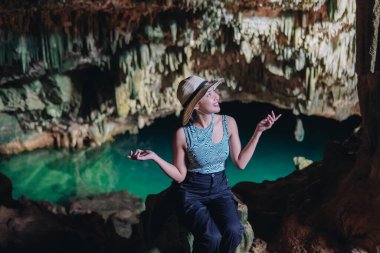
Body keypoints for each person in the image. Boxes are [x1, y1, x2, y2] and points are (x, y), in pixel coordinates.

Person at [128, 75, 281, 253]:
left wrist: (258, 132)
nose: (217, 96)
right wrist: (155, 157)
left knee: (233, 231)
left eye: (214, 91)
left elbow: (240, 162)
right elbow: (180, 175)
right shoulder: (183, 135)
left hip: (220, 189)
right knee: (211, 237)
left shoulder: (228, 123)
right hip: (192, 192)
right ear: (197, 105)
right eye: (209, 94)